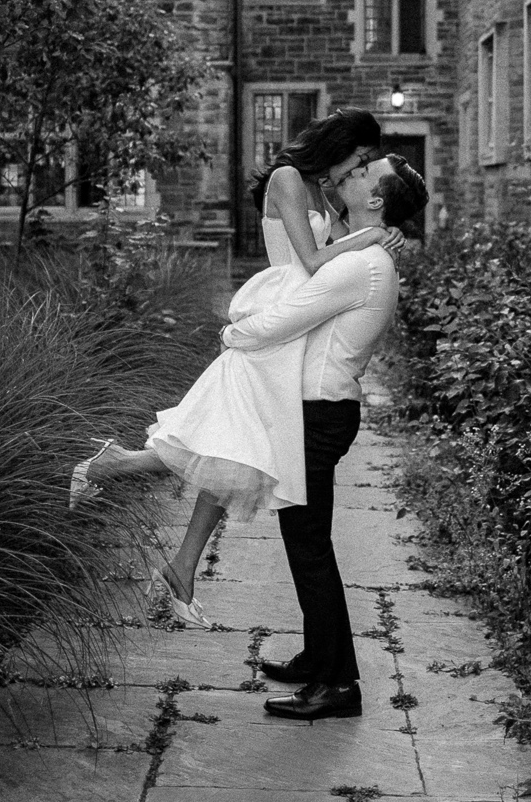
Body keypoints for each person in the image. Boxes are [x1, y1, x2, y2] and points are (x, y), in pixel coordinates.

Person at [70, 110, 399, 627]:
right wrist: (374, 235)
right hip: (276, 321)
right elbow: (313, 262)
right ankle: (117, 471)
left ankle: (176, 557)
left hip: (299, 327)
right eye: (359, 160)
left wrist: (363, 238)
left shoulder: (324, 192)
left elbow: (332, 265)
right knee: (231, 449)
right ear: (341, 145)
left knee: (234, 451)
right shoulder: (287, 180)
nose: (357, 172)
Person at [221, 152, 429, 721]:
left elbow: (280, 320)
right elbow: (314, 243)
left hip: (318, 416)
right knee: (311, 545)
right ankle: (320, 658)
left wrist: (233, 328)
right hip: (323, 411)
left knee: (309, 549)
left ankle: (338, 687)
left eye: (365, 172)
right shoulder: (365, 253)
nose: (351, 172)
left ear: (376, 200)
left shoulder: (358, 265)